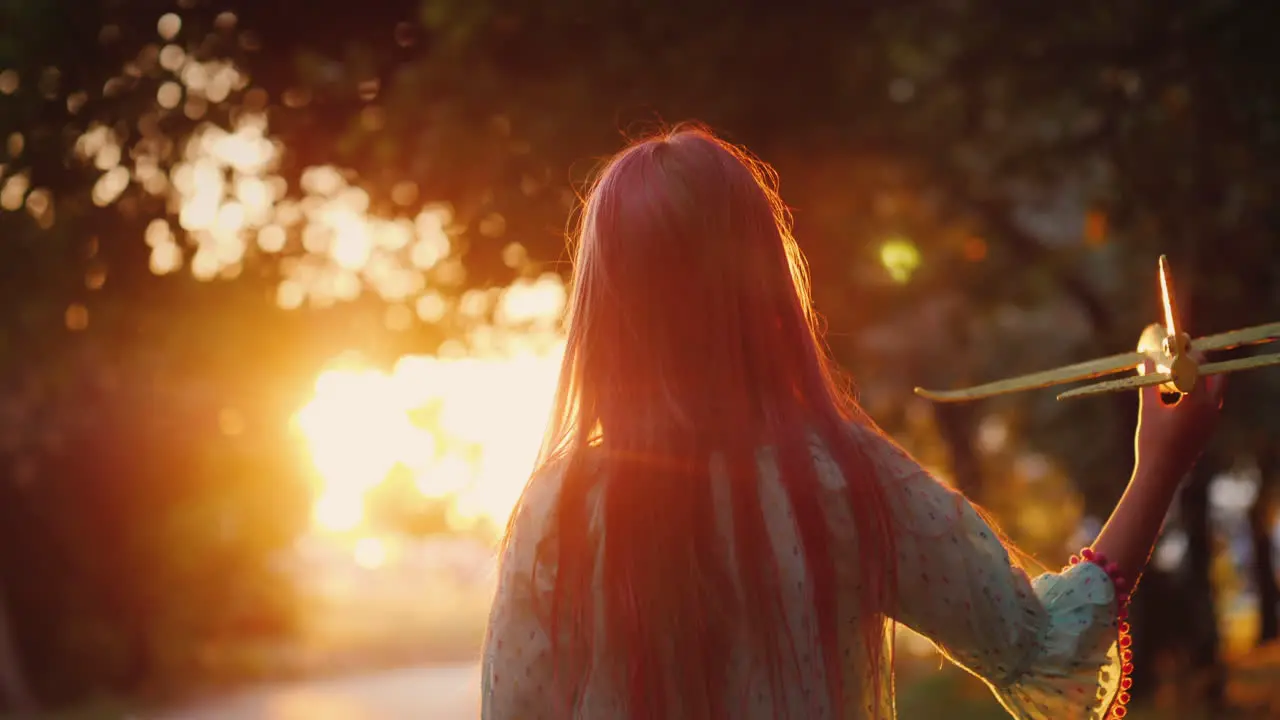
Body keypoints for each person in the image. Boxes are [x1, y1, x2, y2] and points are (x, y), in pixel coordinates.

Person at [479, 124, 1224, 720]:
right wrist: (1157, 468)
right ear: (762, 278)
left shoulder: (558, 513)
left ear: (605, 309)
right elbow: (1044, 651)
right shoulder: (844, 481)